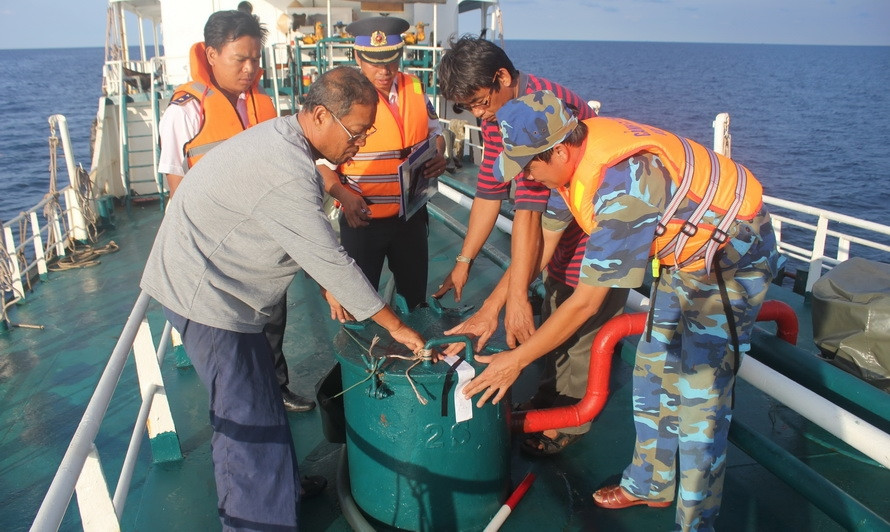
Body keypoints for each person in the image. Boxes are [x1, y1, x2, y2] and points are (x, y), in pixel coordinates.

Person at [463, 90, 781, 532]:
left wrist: (515, 362)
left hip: (729, 256)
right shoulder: (566, 168)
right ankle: (651, 483)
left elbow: (587, 302)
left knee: (699, 402)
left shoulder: (623, 185)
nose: (527, 177)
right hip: (684, 255)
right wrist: (492, 308)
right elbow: (541, 248)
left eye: (530, 165)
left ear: (557, 149)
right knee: (652, 368)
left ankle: (697, 524)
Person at [141, 66, 426, 531]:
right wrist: (396, 327)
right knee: (245, 422)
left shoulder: (290, 141)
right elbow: (328, 255)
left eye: (367, 130)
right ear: (319, 116)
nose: (361, 141)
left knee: (263, 398)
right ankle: (256, 522)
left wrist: (328, 283)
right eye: (357, 131)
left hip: (229, 287)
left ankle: (283, 487)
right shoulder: (287, 169)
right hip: (208, 297)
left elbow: (301, 237)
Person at [433, 35, 627, 455]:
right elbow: (490, 189)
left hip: (594, 226)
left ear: (503, 77)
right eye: (470, 108)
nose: (480, 115)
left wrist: (505, 300)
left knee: (579, 324)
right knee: (552, 307)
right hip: (559, 218)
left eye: (481, 102)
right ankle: (548, 396)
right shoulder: (497, 114)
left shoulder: (543, 112)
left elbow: (531, 213)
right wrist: (466, 260)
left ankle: (568, 421)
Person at [157, 10, 315, 413]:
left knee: (273, 321)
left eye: (256, 60)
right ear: (211, 54)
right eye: (239, 59)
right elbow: (178, 184)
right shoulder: (185, 111)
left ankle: (277, 388)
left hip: (264, 241)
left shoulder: (261, 103)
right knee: (235, 338)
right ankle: (252, 404)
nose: (250, 69)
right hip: (220, 249)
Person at [319, 16, 446, 315]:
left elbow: (435, 132)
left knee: (415, 300)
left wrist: (438, 153)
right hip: (362, 220)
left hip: (411, 217)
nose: (384, 70)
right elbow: (321, 163)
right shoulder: (340, 97)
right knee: (357, 303)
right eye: (374, 61)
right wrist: (343, 195)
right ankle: (359, 358)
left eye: (391, 60)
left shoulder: (414, 87)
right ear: (357, 56)